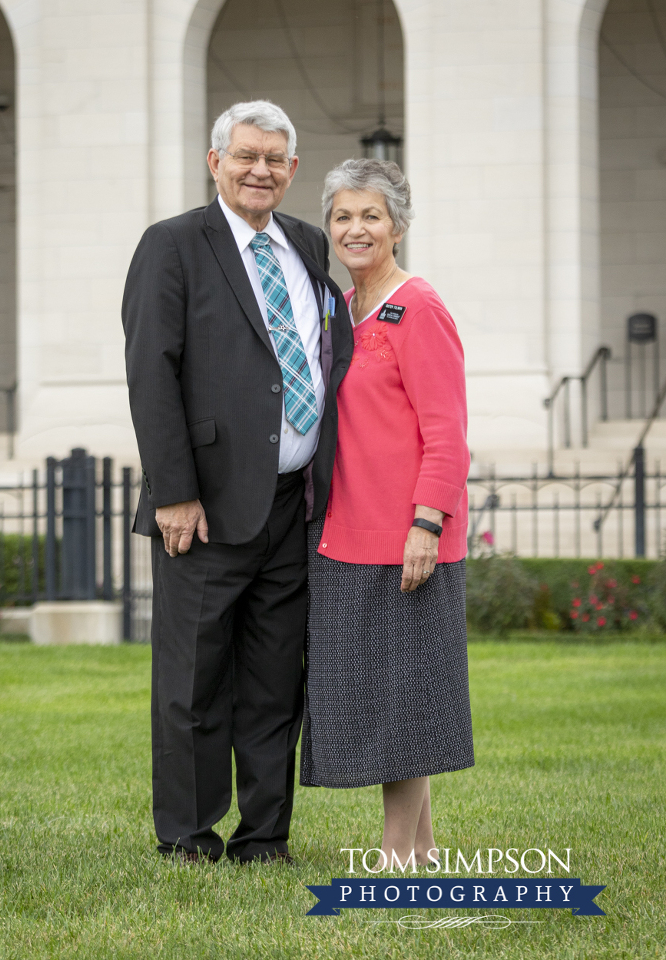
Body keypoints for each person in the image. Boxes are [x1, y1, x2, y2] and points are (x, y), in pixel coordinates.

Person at [121, 101, 352, 864]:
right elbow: (152, 374)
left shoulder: (309, 245)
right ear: (214, 161)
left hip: (293, 504)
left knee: (273, 678)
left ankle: (265, 836)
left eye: (275, 159)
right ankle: (187, 832)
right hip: (207, 505)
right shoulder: (174, 244)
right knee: (193, 675)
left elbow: (323, 354)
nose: (261, 170)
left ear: (292, 168)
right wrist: (172, 490)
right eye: (246, 155)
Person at [301, 158, 474, 869]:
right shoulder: (342, 312)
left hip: (407, 538)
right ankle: (425, 848)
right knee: (390, 698)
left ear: (397, 225)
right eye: (343, 216)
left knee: (404, 703)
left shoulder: (419, 306)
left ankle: (397, 856)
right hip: (346, 535)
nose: (355, 228)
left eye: (371, 215)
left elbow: (448, 432)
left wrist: (426, 524)